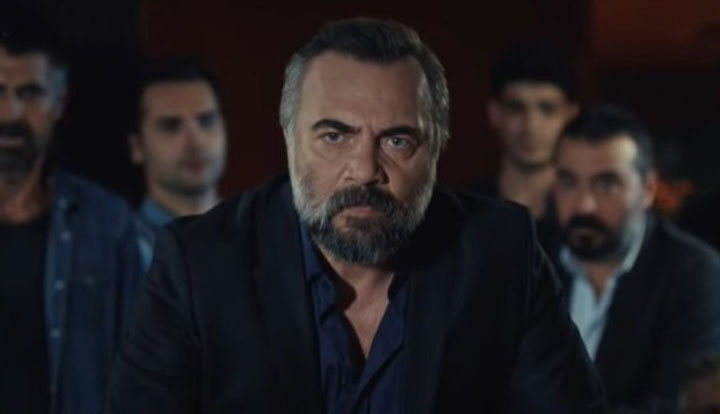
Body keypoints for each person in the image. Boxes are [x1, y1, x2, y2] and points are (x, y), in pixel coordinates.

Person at [106, 18, 605, 413]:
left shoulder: (500, 252)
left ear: (437, 147)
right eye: (334, 136)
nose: (364, 171)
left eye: (397, 140)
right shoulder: (199, 265)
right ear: (289, 138)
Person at [0, 6, 142, 414]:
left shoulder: (106, 224)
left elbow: (140, 377)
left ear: (59, 102)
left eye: (30, 93)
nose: (11, 113)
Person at [552, 104, 720, 412]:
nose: (584, 205)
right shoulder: (531, 260)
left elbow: (681, 406)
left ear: (648, 189)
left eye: (606, 184)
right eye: (569, 181)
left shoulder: (694, 274)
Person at [128, 58, 227, 272]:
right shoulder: (118, 252)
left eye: (206, 121)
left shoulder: (265, 234)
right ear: (137, 146)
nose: (196, 142)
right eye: (171, 126)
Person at [479, 43, 579, 220]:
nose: (530, 126)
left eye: (547, 109)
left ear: (570, 116)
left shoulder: (582, 214)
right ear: (495, 113)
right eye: (516, 108)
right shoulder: (465, 212)